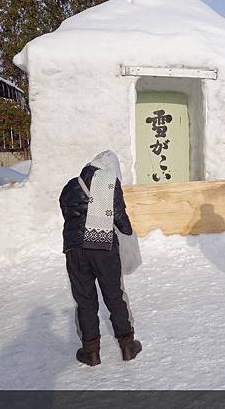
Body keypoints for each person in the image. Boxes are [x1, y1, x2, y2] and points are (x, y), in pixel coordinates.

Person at [59, 150, 142, 366]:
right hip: (102, 247)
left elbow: (67, 214)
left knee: (84, 299)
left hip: (74, 250)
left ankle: (91, 352)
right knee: (114, 295)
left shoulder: (70, 186)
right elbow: (121, 221)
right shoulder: (108, 182)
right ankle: (127, 346)